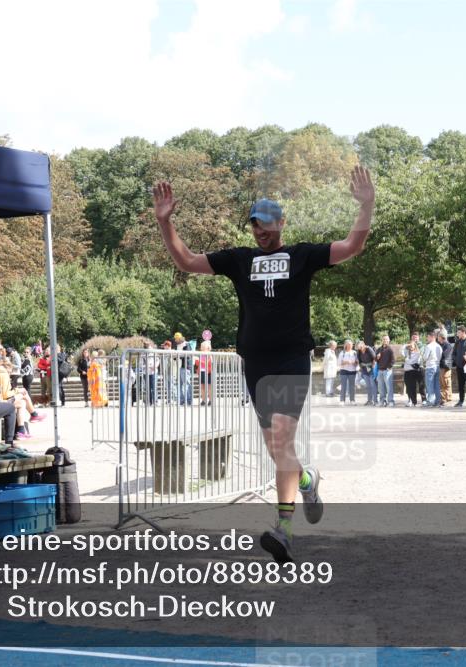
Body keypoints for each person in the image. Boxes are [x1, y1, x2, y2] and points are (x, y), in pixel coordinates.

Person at [152, 166, 375, 563]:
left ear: (282, 223)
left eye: (268, 224)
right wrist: (165, 222)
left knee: (282, 442)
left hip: (290, 361)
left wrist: (367, 205)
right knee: (278, 452)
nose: (261, 231)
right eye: (256, 225)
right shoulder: (239, 260)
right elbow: (186, 261)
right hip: (254, 363)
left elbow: (351, 246)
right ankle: (307, 479)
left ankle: (283, 531)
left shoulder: (302, 255)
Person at [451, 326, 466, 407]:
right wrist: (456, 360)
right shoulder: (458, 342)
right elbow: (454, 353)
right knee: (461, 385)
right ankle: (461, 400)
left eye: (459, 332)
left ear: (464, 332)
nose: (457, 334)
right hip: (459, 366)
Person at [421, 330, 442, 407]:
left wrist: (423, 356)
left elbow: (425, 357)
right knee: (437, 385)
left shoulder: (428, 346)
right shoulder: (439, 346)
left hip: (430, 366)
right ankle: (437, 401)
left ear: (432, 337)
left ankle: (431, 401)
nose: (427, 338)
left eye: (428, 337)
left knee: (429, 385)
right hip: (437, 366)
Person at [376, 335, 395, 407]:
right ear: (382, 340)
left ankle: (391, 401)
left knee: (389, 387)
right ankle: (382, 401)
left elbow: (393, 360)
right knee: (380, 387)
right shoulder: (379, 349)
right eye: (384, 339)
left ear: (389, 340)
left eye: (386, 339)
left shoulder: (390, 349)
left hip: (387, 371)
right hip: (380, 370)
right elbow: (375, 359)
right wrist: (377, 357)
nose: (385, 340)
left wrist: (389, 368)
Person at [356, 340, 377, 406]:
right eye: (358, 347)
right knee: (368, 386)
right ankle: (369, 400)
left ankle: (375, 400)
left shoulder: (369, 349)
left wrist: (373, 367)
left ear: (363, 344)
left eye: (360, 346)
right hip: (364, 369)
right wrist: (360, 367)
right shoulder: (359, 351)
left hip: (371, 369)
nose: (359, 348)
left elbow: (374, 358)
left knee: (373, 385)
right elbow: (359, 360)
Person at [402, 341, 423, 407]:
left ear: (415, 346)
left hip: (413, 371)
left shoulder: (417, 353)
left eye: (412, 346)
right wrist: (406, 344)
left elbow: (412, 361)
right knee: (408, 387)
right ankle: (410, 400)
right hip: (407, 371)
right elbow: (401, 350)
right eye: (409, 346)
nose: (410, 347)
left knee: (413, 387)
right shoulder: (406, 353)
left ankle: (414, 402)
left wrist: (407, 360)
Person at [338, 339, 358, 405]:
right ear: (345, 345)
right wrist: (346, 362)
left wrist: (355, 363)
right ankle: (342, 400)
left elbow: (357, 363)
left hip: (352, 371)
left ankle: (352, 400)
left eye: (351, 345)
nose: (350, 346)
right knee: (343, 386)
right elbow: (339, 363)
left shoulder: (354, 353)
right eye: (348, 345)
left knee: (352, 386)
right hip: (344, 371)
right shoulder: (342, 353)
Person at [196, 340, 214, 406]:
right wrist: (197, 362)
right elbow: (198, 364)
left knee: (209, 386)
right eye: (201, 347)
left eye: (203, 347)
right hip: (201, 371)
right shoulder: (200, 354)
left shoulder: (209, 354)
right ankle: (203, 400)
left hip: (208, 372)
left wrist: (200, 361)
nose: (202, 348)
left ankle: (210, 400)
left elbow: (209, 363)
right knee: (202, 386)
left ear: (207, 347)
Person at [437, 331, 452, 406]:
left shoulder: (447, 345)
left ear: (441, 337)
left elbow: (444, 355)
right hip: (441, 366)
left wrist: (437, 354)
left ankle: (447, 398)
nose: (437, 338)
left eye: (438, 336)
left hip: (445, 367)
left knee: (446, 382)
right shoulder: (440, 344)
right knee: (442, 383)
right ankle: (443, 399)